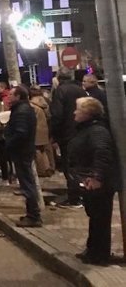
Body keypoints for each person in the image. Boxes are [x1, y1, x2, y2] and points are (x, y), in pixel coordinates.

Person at [68, 97, 118, 265]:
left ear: (88, 113)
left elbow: (102, 153)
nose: (74, 112)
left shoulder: (97, 130)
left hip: (97, 182)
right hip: (90, 179)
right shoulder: (87, 129)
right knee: (95, 217)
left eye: (78, 109)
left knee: (100, 219)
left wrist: (97, 177)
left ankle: (99, 254)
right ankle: (93, 250)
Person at [5, 85, 42, 227]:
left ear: (18, 96)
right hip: (23, 151)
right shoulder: (22, 109)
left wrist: (9, 143)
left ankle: (34, 216)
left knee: (27, 184)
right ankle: (31, 214)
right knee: (27, 183)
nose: (8, 97)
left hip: (22, 151)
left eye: (11, 95)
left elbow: (21, 133)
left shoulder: (22, 111)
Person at [50, 67, 86, 208]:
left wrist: (54, 134)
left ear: (59, 78)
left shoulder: (61, 91)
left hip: (67, 134)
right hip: (81, 132)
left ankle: (74, 198)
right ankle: (81, 193)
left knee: (69, 166)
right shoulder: (80, 90)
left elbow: (57, 115)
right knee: (79, 164)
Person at [30, 86, 54, 177]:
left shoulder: (32, 105)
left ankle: (42, 170)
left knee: (37, 151)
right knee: (47, 149)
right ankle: (50, 167)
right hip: (46, 127)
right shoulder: (45, 102)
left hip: (37, 129)